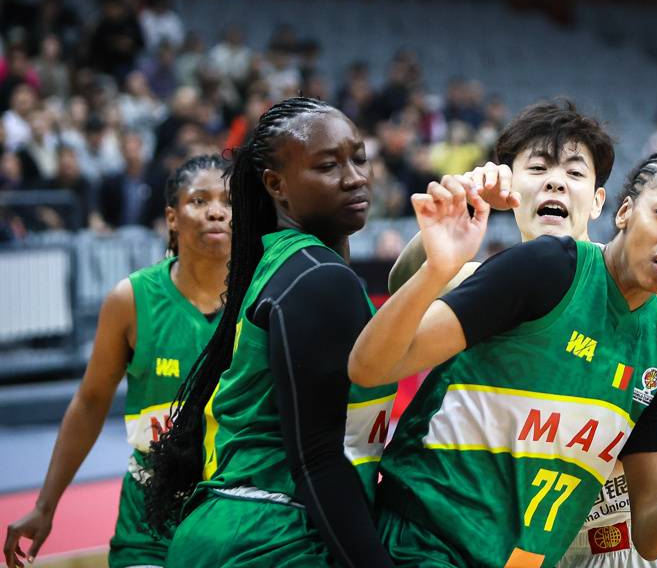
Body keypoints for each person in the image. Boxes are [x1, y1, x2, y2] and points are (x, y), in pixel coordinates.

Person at [351, 145, 657, 566]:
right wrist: (437, 267)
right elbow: (372, 366)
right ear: (624, 211)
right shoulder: (549, 267)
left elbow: (651, 534)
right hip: (426, 542)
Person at [142, 98, 396, 568]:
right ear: (276, 185)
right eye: (328, 165)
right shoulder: (318, 278)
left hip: (235, 527)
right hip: (270, 537)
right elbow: (317, 461)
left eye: (359, 158)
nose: (355, 177)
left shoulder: (284, 262)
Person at [4, 154, 230, 568]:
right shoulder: (131, 299)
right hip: (149, 522)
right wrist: (45, 505)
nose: (216, 211)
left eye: (229, 201)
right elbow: (90, 402)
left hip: (233, 514)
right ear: (172, 218)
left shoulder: (263, 296)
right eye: (199, 200)